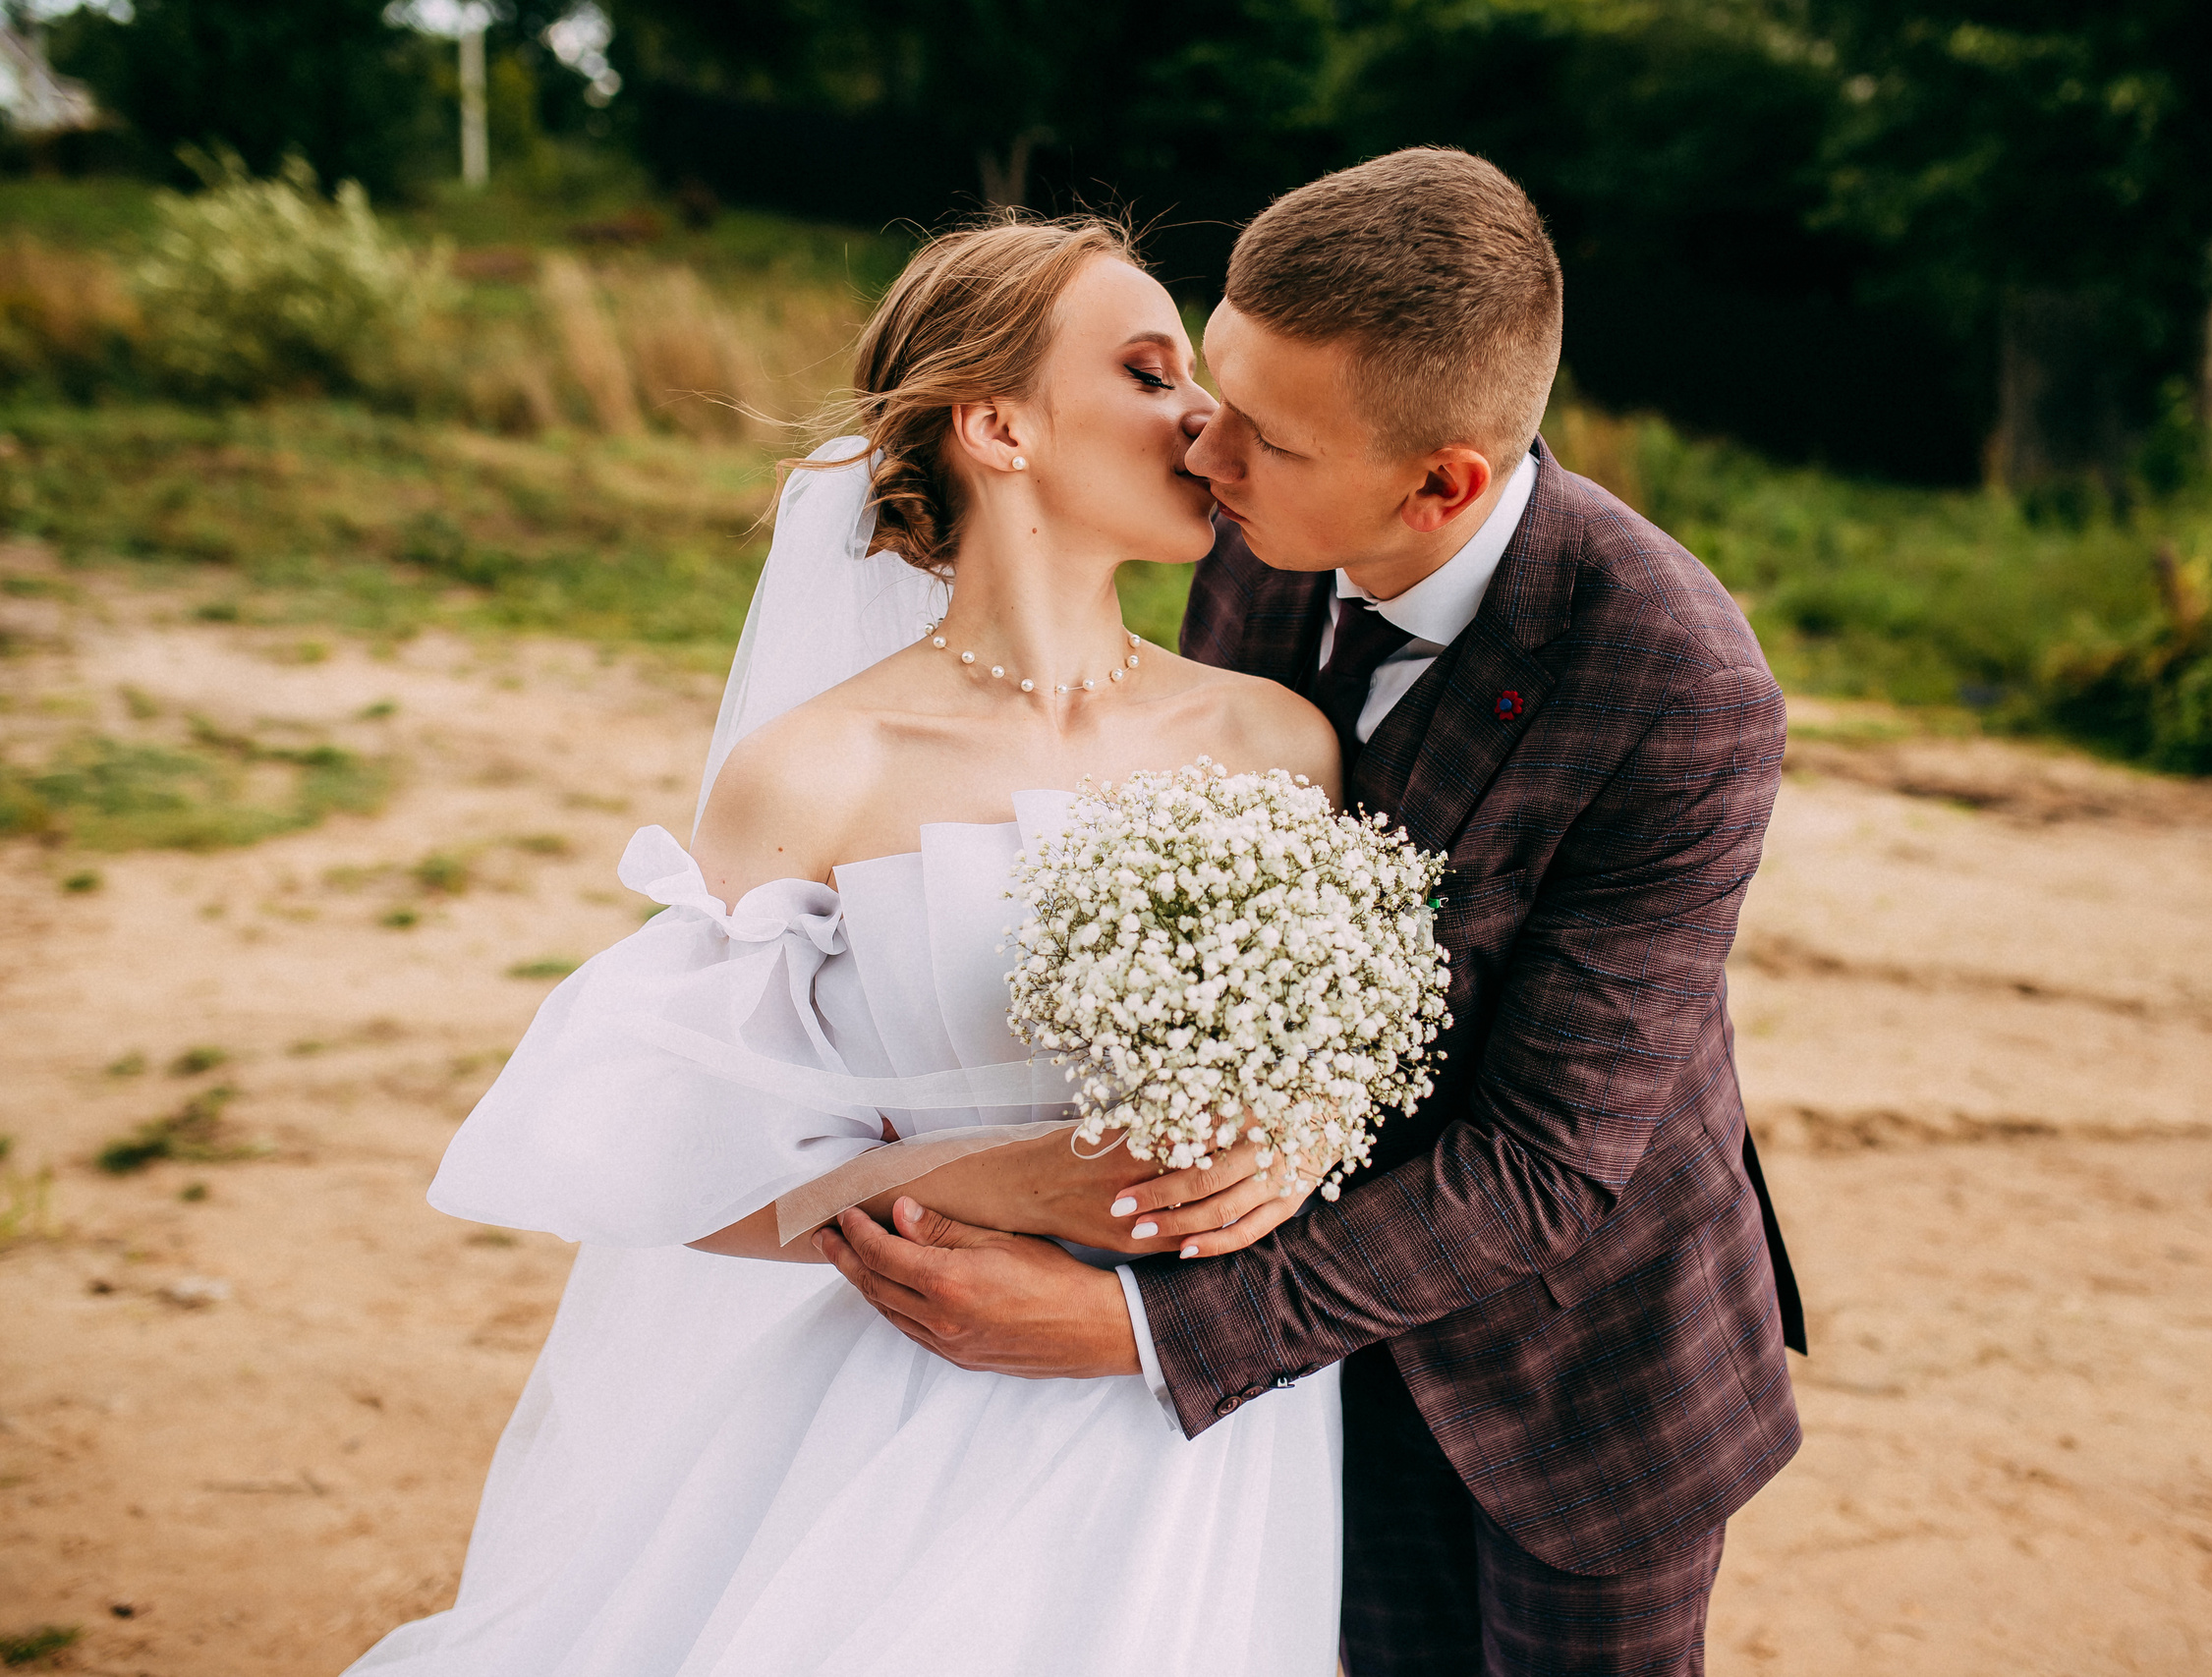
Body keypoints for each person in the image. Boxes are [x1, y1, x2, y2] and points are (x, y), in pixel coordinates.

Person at [822, 148, 1806, 1677]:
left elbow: (1545, 1165)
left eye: (1260, 435)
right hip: (1314, 1388)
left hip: (1576, 1388)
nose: (1199, 449)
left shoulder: (1677, 684)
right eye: (1208, 387)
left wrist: (1138, 1335)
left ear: (1442, 483)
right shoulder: (1259, 547)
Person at [346, 214, 1351, 1676]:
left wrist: (1304, 1131)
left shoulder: (1276, 742)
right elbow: (663, 1163)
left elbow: (1353, 1061)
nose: (1209, 420)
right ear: (997, 425)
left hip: (1207, 1415)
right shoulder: (818, 773)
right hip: (915, 1403)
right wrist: (978, 1182)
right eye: (1149, 372)